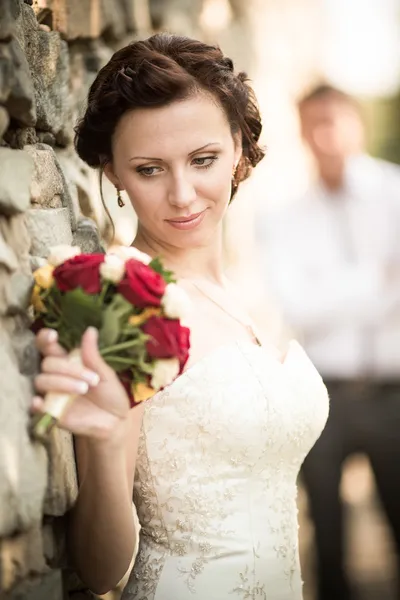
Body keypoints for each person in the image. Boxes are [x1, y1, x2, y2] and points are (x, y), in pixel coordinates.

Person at [32, 34, 329, 600]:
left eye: (203, 160)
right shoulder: (119, 297)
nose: (184, 195)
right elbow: (100, 571)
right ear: (113, 173)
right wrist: (106, 438)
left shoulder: (247, 289)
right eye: (149, 169)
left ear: (239, 149)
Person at [262, 84, 400, 600]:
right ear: (301, 133)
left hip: (394, 391)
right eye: (313, 124)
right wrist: (380, 281)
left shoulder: (395, 193)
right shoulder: (283, 217)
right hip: (322, 397)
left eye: (335, 121)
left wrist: (336, 292)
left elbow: (322, 303)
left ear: (357, 123)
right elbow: (301, 310)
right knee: (326, 538)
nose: (326, 135)